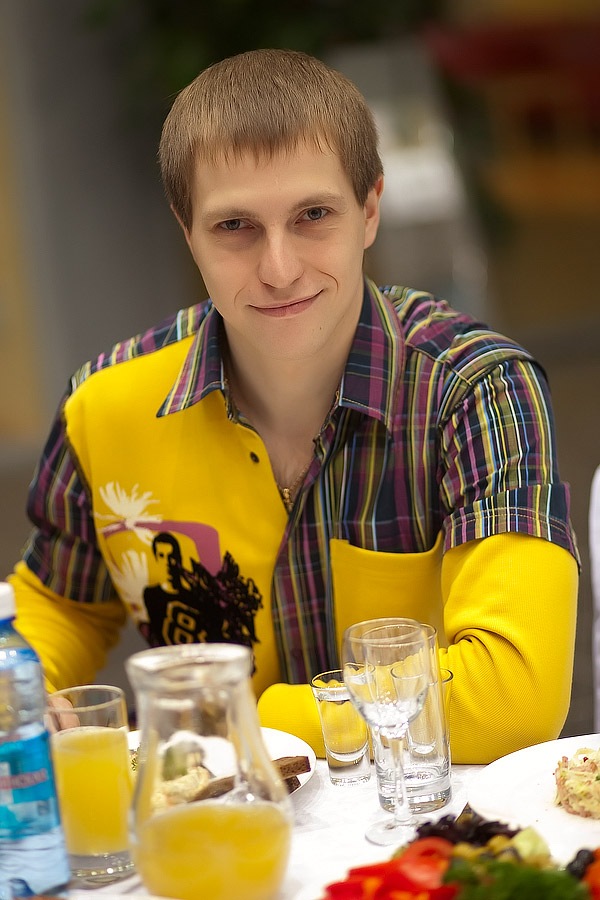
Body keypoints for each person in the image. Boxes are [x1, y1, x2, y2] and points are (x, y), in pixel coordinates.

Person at [8, 48, 578, 765]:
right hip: (219, 818)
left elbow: (513, 698)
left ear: (369, 210)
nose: (279, 269)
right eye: (234, 226)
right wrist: (21, 686)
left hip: (430, 818)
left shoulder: (475, 389)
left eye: (313, 215)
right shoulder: (105, 404)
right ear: (188, 232)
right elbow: (58, 603)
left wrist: (245, 719)